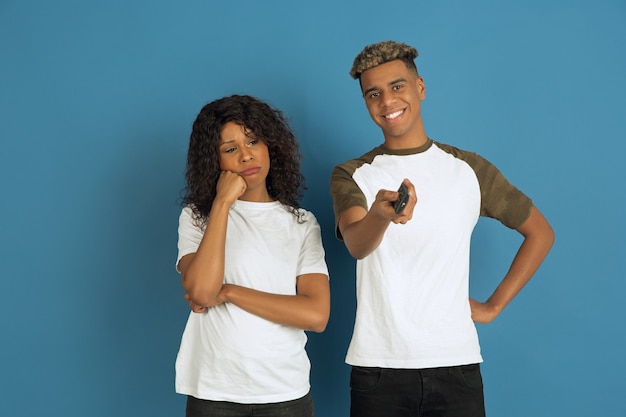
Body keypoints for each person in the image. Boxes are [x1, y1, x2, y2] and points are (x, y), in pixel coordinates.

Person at [330, 41, 555, 417]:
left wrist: (493, 306)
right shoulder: (352, 174)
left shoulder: (468, 169)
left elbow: (541, 233)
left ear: (420, 87)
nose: (387, 101)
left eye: (397, 86)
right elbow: (356, 243)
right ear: (366, 103)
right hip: (378, 369)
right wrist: (380, 216)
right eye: (374, 93)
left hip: (456, 366)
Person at [176, 94, 330, 417]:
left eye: (253, 141)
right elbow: (202, 291)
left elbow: (316, 314)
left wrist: (231, 292)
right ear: (214, 161)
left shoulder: (301, 224)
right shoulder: (196, 216)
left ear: (270, 145)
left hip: (285, 394)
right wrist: (221, 204)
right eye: (231, 149)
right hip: (214, 393)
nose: (246, 155)